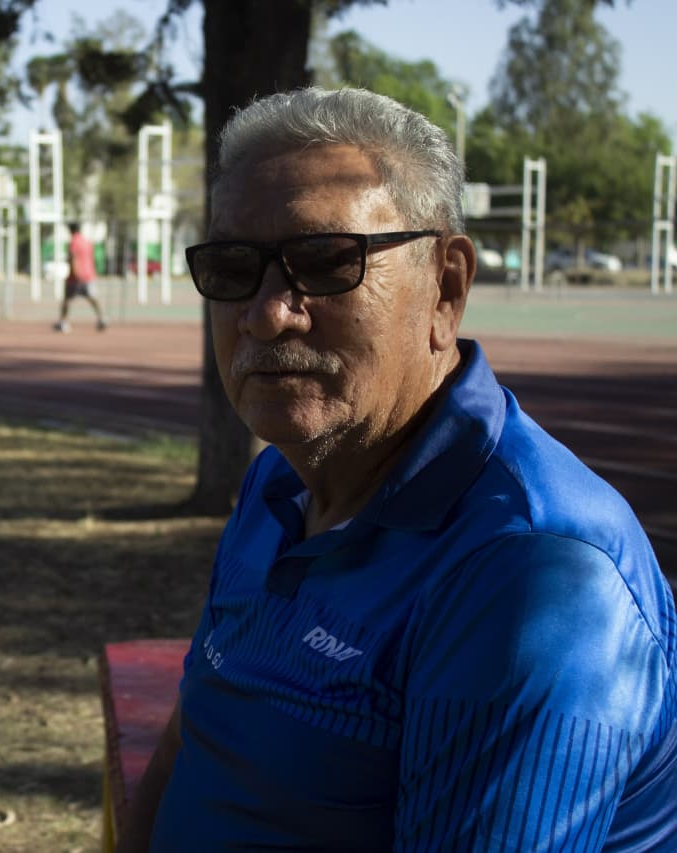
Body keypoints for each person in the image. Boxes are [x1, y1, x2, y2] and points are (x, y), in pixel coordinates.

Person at [117, 87, 677, 851]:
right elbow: (196, 736)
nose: (265, 311)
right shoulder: (282, 479)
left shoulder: (530, 573)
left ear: (445, 287)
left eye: (323, 263)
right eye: (231, 266)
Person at [54, 222, 107, 332]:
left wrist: (74, 272)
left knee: (67, 300)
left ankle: (63, 322)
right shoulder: (86, 241)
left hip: (76, 276)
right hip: (88, 274)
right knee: (92, 298)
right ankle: (102, 318)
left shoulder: (74, 241)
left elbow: (73, 258)